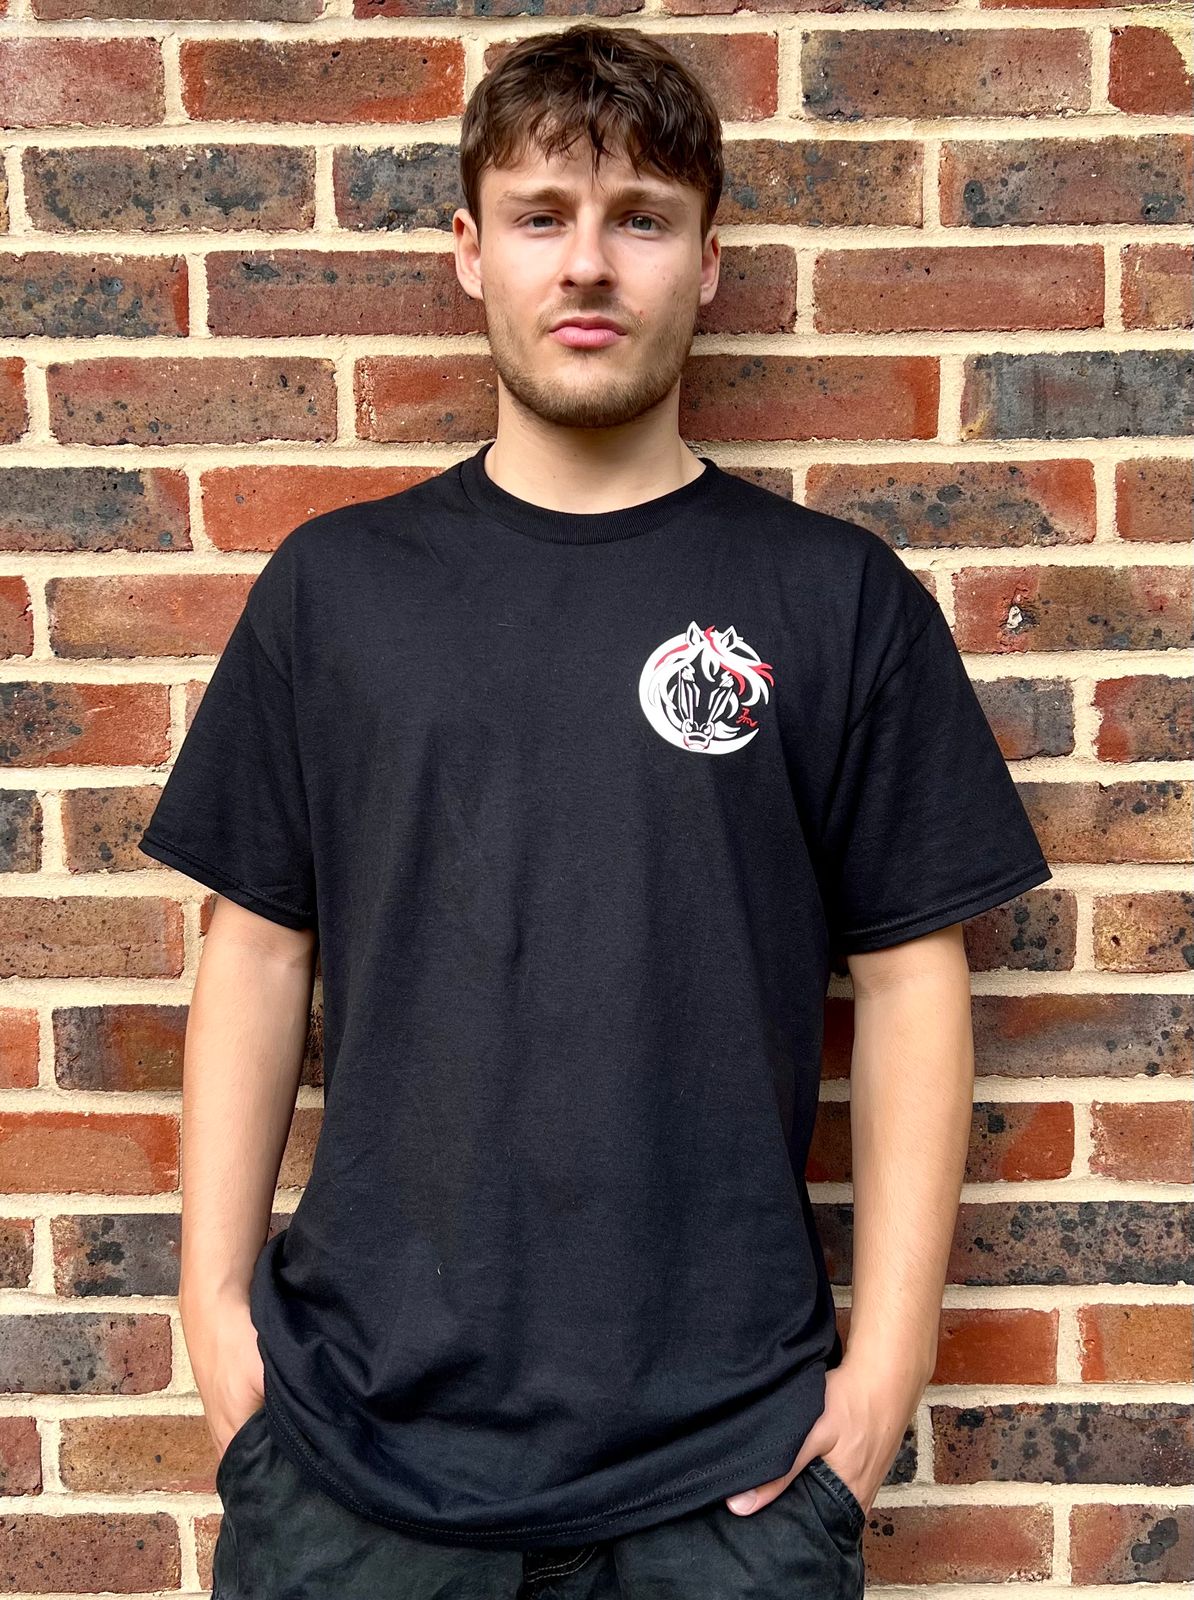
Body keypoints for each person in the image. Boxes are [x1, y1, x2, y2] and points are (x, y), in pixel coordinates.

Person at [137, 22, 1053, 1600]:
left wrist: (882, 1377)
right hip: (357, 1463)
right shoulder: (336, 592)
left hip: (727, 1474)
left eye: (639, 219)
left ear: (707, 263)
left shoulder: (832, 600)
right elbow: (258, 951)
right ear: (468, 251)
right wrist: (212, 1318)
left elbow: (913, 982)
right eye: (540, 215)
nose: (586, 264)